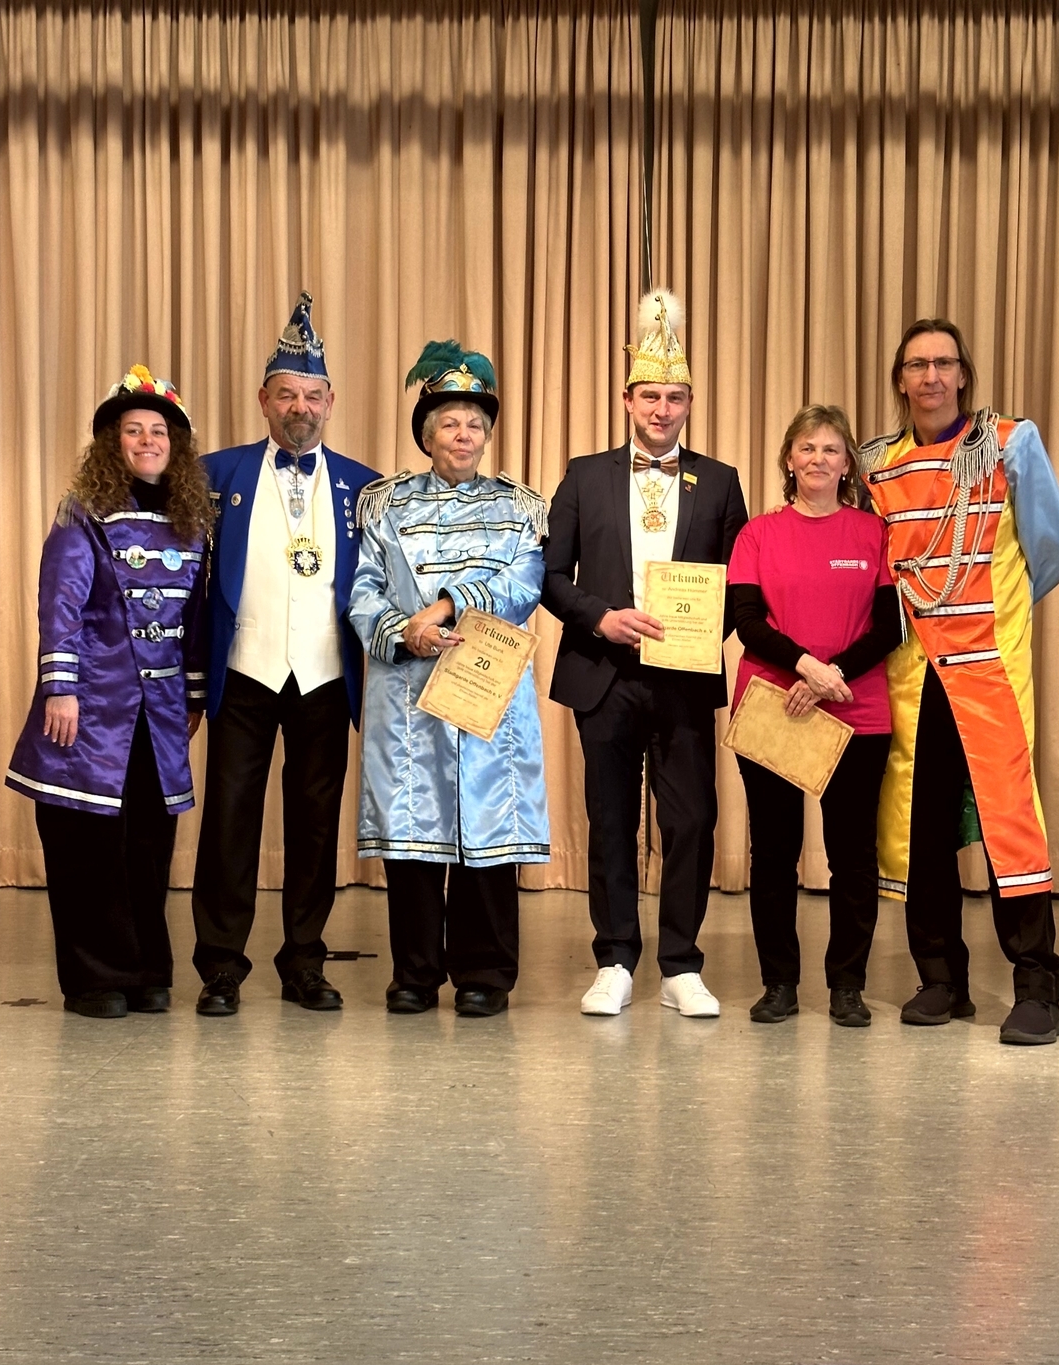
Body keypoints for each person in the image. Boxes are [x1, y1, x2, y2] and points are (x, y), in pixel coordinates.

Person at [859, 317, 1059, 1044]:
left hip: (989, 669)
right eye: (917, 364)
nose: (931, 376)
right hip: (914, 673)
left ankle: (1037, 987)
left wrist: (997, 615)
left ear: (962, 374)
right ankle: (940, 978)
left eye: (944, 363)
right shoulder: (877, 467)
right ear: (900, 379)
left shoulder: (1009, 444)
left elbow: (1052, 549)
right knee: (921, 827)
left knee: (1011, 824)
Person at [543, 289, 748, 1017]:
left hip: (683, 678)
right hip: (602, 674)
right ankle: (615, 959)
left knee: (690, 821)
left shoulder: (720, 481)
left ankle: (681, 965)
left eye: (675, 397)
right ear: (627, 398)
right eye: (650, 396)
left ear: (689, 403)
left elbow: (741, 583)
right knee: (609, 821)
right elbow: (549, 576)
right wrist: (600, 619)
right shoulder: (583, 474)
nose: (662, 409)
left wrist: (696, 636)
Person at [349, 340, 550, 1017]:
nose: (463, 434)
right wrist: (402, 631)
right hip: (407, 689)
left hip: (487, 686)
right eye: (449, 423)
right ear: (426, 434)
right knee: (412, 830)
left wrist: (445, 606)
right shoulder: (384, 506)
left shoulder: (521, 507)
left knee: (487, 825)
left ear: (486, 436)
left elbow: (523, 584)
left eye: (474, 424)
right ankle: (413, 972)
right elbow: (363, 589)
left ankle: (484, 973)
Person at [191, 293, 379, 1017]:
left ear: (330, 402)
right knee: (229, 821)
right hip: (244, 671)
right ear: (263, 400)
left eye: (312, 395)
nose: (300, 407)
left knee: (314, 823)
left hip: (326, 677)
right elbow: (188, 586)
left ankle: (304, 959)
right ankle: (220, 965)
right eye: (286, 394)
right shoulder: (215, 474)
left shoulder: (364, 485)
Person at [6, 366, 210, 1018]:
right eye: (134, 430)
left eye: (159, 431)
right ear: (110, 442)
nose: (148, 441)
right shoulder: (82, 512)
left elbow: (195, 618)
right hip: (91, 709)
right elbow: (60, 603)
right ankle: (96, 978)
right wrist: (60, 688)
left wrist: (193, 697)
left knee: (148, 845)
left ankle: (147, 970)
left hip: (159, 713)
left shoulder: (192, 520)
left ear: (176, 446)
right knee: (87, 844)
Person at [727, 405, 901, 1027]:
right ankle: (779, 984)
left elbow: (890, 627)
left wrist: (833, 678)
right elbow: (747, 621)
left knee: (852, 855)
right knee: (774, 853)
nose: (819, 459)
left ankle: (847, 986)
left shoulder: (875, 533)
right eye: (807, 448)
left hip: (857, 711)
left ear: (847, 463)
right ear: (789, 460)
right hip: (774, 705)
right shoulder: (757, 535)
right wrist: (807, 668)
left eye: (831, 449)